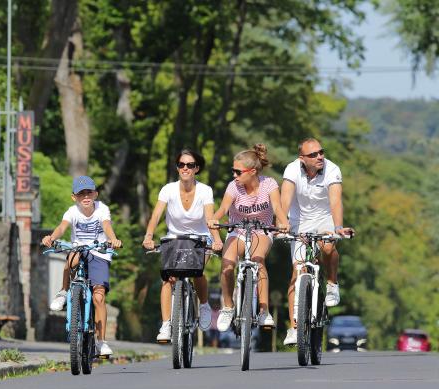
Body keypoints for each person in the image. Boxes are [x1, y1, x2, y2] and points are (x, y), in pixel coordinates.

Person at [142, 149, 223, 342]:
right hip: (175, 237)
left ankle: (203, 306)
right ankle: (166, 325)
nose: (185, 168)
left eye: (190, 165)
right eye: (181, 165)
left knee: (198, 271)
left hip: (200, 237)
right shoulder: (168, 189)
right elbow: (156, 215)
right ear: (177, 167)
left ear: (197, 168)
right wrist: (148, 235)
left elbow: (210, 218)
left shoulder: (205, 191)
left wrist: (217, 239)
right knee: (167, 279)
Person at [280, 138, 354, 345]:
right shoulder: (292, 169)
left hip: (325, 219)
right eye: (313, 154)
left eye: (321, 152)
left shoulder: (332, 169)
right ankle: (294, 328)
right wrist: (281, 224)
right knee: (297, 272)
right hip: (299, 222)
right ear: (302, 158)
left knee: (328, 247)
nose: (319, 156)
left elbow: (335, 201)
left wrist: (338, 227)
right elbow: (284, 200)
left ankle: (331, 283)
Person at [208, 143, 289, 333]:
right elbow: (223, 208)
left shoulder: (269, 184)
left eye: (238, 172)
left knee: (258, 262)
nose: (234, 176)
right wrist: (214, 219)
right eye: (233, 171)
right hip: (238, 231)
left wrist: (283, 222)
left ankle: (263, 311)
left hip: (261, 231)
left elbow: (277, 208)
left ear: (252, 171)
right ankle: (228, 307)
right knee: (227, 265)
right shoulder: (234, 187)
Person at [41, 175, 122, 357]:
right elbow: (62, 228)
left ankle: (101, 342)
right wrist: (51, 238)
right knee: (71, 260)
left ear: (95, 194)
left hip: (98, 252)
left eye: (89, 193)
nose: (86, 197)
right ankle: (63, 292)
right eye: (81, 194)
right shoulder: (72, 212)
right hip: (79, 249)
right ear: (74, 197)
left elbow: (107, 226)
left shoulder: (102, 209)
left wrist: (112, 239)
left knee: (99, 297)